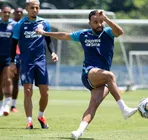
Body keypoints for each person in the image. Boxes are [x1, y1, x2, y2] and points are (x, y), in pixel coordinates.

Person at [36, 10, 137, 139]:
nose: (99, 24)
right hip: (89, 73)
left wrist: (106, 19)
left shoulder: (108, 33)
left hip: (102, 78)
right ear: (89, 23)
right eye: (96, 22)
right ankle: (124, 109)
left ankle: (79, 131)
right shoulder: (84, 34)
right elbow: (63, 35)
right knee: (110, 76)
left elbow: (120, 32)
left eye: (101, 21)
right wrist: (45, 33)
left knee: (93, 105)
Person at [10, 0, 58, 129]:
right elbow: (13, 44)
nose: (35, 10)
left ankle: (41, 115)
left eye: (37, 8)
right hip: (26, 62)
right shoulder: (20, 25)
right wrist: (12, 62)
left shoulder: (44, 23)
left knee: (45, 93)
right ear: (27, 8)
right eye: (32, 8)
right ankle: (29, 121)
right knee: (27, 91)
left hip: (41, 61)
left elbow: (48, 40)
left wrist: (53, 52)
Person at [0, 5, 16, 116]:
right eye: (5, 12)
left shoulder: (14, 25)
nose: (6, 14)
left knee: (8, 80)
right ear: (1, 12)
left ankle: (7, 104)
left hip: (8, 57)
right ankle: (1, 105)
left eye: (8, 12)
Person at [10, 7, 24, 113]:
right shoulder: (8, 25)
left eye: (20, 12)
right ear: (13, 13)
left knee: (16, 80)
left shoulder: (24, 26)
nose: (18, 14)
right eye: (17, 12)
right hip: (5, 55)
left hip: (18, 55)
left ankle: (13, 106)